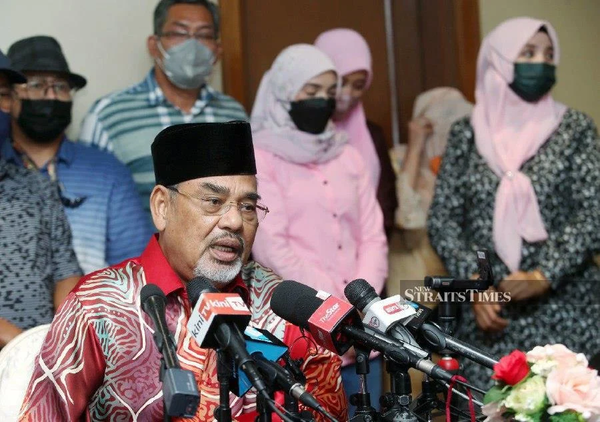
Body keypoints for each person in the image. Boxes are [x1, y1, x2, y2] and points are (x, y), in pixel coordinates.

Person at [18, 122, 347, 421]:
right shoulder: (99, 305)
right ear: (162, 207)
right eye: (213, 202)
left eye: (247, 206)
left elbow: (327, 410)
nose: (234, 221)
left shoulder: (280, 304)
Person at [427, 17, 600, 386]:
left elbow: (593, 213)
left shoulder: (575, 129)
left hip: (566, 309)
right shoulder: (465, 135)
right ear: (498, 60)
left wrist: (543, 274)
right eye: (528, 53)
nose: (542, 63)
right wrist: (476, 284)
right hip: (487, 317)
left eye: (549, 54)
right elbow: (443, 219)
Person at [249, 44, 388, 410]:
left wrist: (364, 299)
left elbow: (373, 234)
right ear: (283, 93)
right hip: (302, 330)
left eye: (329, 92)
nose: (323, 102)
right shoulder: (261, 157)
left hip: (363, 333)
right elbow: (272, 247)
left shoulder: (346, 153)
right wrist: (335, 305)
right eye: (310, 92)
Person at [79, 0, 248, 215]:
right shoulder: (108, 115)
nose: (192, 45)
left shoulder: (233, 114)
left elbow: (247, 196)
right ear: (153, 45)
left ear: (217, 50)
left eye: (204, 35)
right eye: (179, 33)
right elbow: (90, 206)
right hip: (141, 247)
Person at [1, 36, 153, 275]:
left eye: (60, 87)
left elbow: (136, 269)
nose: (51, 96)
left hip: (94, 308)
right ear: (8, 96)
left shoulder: (107, 173)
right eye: (36, 85)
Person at [0, 50, 81, 348]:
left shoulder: (36, 184)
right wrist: (25, 347)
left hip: (42, 361)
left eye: (4, 94)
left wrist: (65, 335)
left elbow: (65, 271)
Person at [315, 28, 398, 239]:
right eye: (341, 82)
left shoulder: (373, 135)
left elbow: (386, 205)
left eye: (358, 85)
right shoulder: (296, 134)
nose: (348, 93)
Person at [391, 88, 473, 281]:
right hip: (414, 281)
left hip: (459, 281)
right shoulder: (399, 159)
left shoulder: (469, 166)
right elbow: (407, 217)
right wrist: (416, 145)